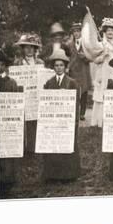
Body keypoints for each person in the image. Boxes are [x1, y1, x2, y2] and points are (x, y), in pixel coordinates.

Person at [41, 48, 81, 181]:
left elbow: (76, 103)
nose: (59, 68)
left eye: (61, 65)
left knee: (67, 146)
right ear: (53, 67)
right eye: (56, 65)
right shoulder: (48, 83)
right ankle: (52, 175)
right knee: (53, 146)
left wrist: (74, 121)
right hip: (53, 122)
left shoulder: (72, 82)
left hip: (67, 122)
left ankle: (68, 175)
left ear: (65, 66)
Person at [12, 33, 44, 155]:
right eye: (26, 47)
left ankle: (32, 147)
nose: (29, 50)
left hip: (35, 97)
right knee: (22, 122)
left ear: (35, 49)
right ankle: (21, 147)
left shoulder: (40, 62)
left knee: (33, 122)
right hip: (22, 95)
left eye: (32, 47)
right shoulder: (18, 63)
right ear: (23, 49)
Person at [90, 18, 113, 127]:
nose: (110, 32)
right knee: (101, 96)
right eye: (108, 30)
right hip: (103, 72)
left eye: (112, 30)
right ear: (104, 32)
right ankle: (99, 123)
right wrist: (102, 56)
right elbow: (94, 60)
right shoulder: (100, 44)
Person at [0, 56, 23, 188]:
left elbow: (16, 104)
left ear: (6, 67)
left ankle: (8, 178)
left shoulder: (11, 82)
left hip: (8, 121)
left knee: (8, 149)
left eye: (2, 64)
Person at [67, 22, 92, 121]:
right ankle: (74, 111)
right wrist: (67, 67)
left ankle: (82, 113)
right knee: (74, 91)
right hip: (73, 70)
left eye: (78, 31)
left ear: (81, 32)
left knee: (84, 91)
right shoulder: (69, 44)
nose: (76, 33)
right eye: (74, 32)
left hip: (83, 70)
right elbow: (67, 57)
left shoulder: (86, 44)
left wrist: (85, 57)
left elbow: (92, 57)